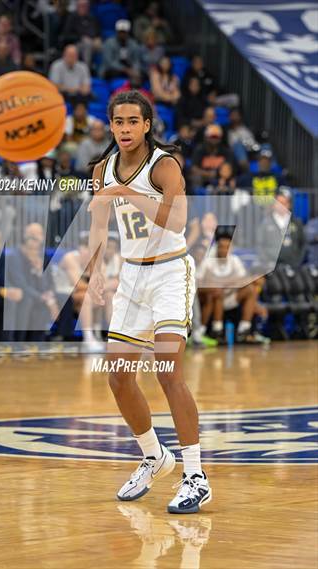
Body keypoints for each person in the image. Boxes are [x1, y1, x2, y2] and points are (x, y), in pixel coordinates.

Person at [87, 90, 211, 513]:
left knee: (167, 373)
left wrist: (126, 190)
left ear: (146, 125)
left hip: (170, 271)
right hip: (132, 275)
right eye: (117, 122)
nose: (124, 129)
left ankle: (195, 475)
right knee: (119, 377)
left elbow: (178, 219)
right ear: (111, 126)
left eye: (131, 122)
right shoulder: (101, 169)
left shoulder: (164, 164)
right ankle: (154, 455)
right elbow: (99, 220)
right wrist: (96, 271)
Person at [197, 233, 266, 342]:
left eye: (227, 247)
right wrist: (228, 282)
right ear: (216, 247)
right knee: (217, 292)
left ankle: (244, 329)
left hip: (230, 296)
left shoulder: (235, 260)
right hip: (213, 298)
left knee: (251, 289)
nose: (224, 250)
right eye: (221, 247)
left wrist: (222, 283)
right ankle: (217, 330)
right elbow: (198, 284)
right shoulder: (208, 262)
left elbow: (244, 280)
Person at [257, 189, 306, 269]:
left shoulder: (297, 222)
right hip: (271, 268)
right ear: (274, 205)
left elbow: (303, 243)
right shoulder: (265, 223)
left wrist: (298, 262)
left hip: (294, 267)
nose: (281, 206)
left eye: (284, 203)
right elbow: (259, 245)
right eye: (279, 203)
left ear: (289, 205)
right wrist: (267, 263)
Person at [60, 0, 102, 69]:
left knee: (103, 46)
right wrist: (81, 38)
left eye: (85, 6)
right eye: (81, 6)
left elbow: (97, 31)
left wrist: (97, 38)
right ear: (77, 6)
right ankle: (87, 68)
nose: (84, 8)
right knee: (87, 44)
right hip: (76, 43)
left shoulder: (91, 18)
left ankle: (100, 70)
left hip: (92, 42)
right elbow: (66, 36)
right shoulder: (72, 18)